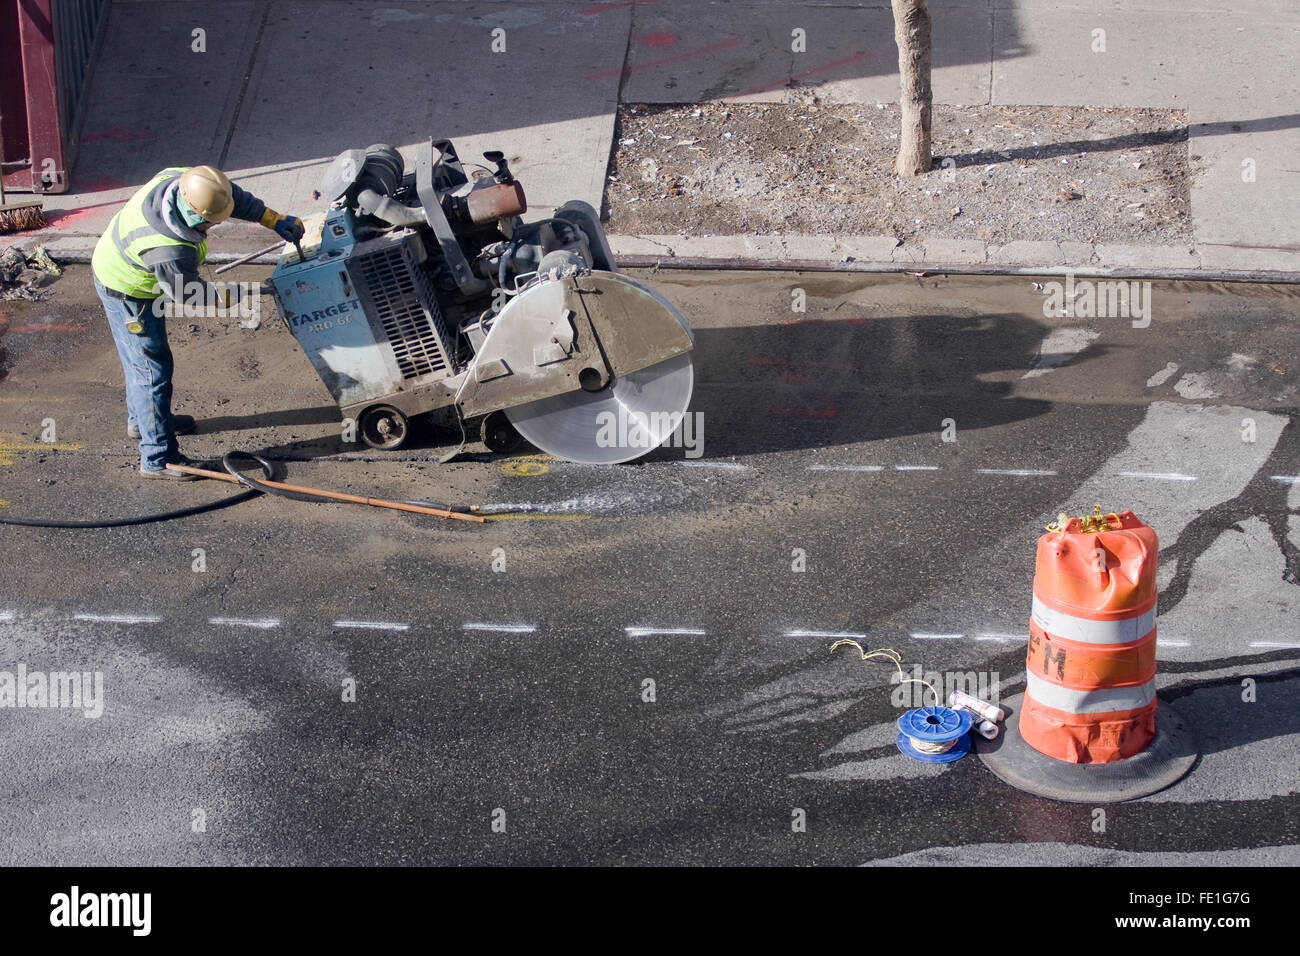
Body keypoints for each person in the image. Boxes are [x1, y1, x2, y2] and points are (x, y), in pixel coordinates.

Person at [90, 165, 305, 479]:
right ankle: (158, 457)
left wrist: (272, 218)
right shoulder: (168, 250)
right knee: (151, 371)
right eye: (213, 222)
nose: (217, 224)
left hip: (129, 266)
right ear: (195, 215)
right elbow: (190, 296)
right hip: (127, 291)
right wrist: (238, 292)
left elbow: (230, 199)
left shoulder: (187, 181)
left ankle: (146, 422)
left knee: (141, 364)